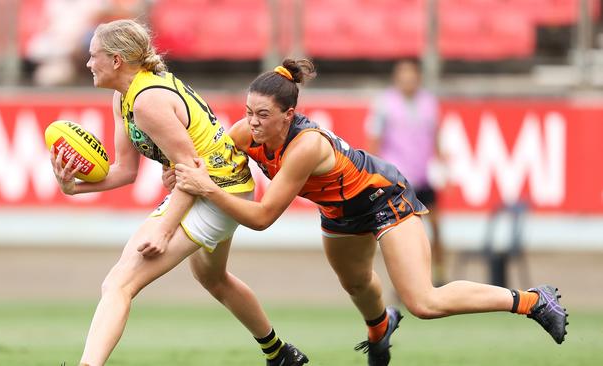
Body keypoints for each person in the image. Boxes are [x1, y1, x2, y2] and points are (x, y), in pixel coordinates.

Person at [173, 59, 569, 366]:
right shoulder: (246, 134)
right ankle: (381, 327)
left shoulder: (306, 145)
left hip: (383, 199)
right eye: (248, 112)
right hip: (339, 212)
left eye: (262, 115)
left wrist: (206, 187)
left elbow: (262, 217)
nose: (252, 123)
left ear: (288, 115)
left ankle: (533, 301)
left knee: (423, 302)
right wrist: (176, 166)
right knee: (358, 284)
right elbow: (209, 162)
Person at [49, 20, 308, 366]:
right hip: (215, 184)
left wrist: (165, 228)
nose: (87, 63)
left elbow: (192, 168)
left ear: (115, 60)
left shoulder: (147, 101)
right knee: (214, 279)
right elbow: (125, 172)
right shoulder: (124, 98)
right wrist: (74, 187)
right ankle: (280, 354)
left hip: (217, 189)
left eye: (93, 55)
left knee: (119, 282)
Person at [365, 59, 446, 285]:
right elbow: (375, 141)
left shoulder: (429, 103)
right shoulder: (384, 104)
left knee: (437, 228)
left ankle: (439, 274)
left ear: (418, 77)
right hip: (398, 179)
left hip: (422, 176)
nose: (407, 79)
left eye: (411, 74)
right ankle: (404, 281)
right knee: (402, 234)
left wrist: (440, 162)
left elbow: (436, 135)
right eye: (403, 75)